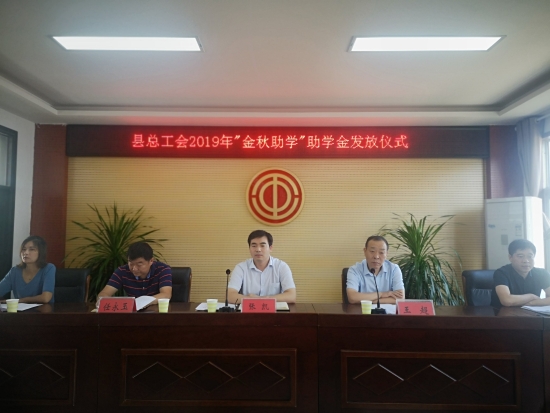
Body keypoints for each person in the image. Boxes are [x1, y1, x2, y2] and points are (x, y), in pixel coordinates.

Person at [227, 230, 296, 304]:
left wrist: (261, 299)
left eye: (262, 246)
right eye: (254, 246)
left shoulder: (281, 267)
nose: (258, 249)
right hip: (248, 310)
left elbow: (291, 296)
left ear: (270, 248)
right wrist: (258, 300)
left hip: (274, 311)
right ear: (249, 248)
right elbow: (230, 296)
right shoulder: (241, 268)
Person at [97, 242, 172, 305]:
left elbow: (166, 295)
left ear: (151, 261)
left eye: (139, 264)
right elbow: (103, 294)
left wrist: (140, 302)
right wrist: (102, 300)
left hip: (157, 313)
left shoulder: (163, 270)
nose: (134, 268)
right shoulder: (122, 271)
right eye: (131, 263)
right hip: (132, 314)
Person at [490, 239, 550, 307]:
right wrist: (531, 296)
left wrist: (531, 303)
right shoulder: (501, 273)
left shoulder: (542, 274)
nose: (526, 261)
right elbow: (506, 300)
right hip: (504, 313)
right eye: (520, 256)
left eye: (530, 256)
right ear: (510, 257)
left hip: (531, 313)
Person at [346, 235, 405, 304]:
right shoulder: (354, 270)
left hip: (387, 311)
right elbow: (353, 298)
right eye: (372, 251)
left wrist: (369, 301)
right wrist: (382, 294)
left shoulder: (394, 269)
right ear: (365, 251)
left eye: (381, 252)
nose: (376, 256)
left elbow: (400, 298)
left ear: (386, 254)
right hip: (362, 310)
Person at [0, 235, 55, 304]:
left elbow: (45, 298)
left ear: (41, 252)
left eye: (32, 249)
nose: (26, 253)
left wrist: (19, 300)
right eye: (24, 249)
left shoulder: (49, 268)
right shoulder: (15, 271)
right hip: (21, 310)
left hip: (43, 310)